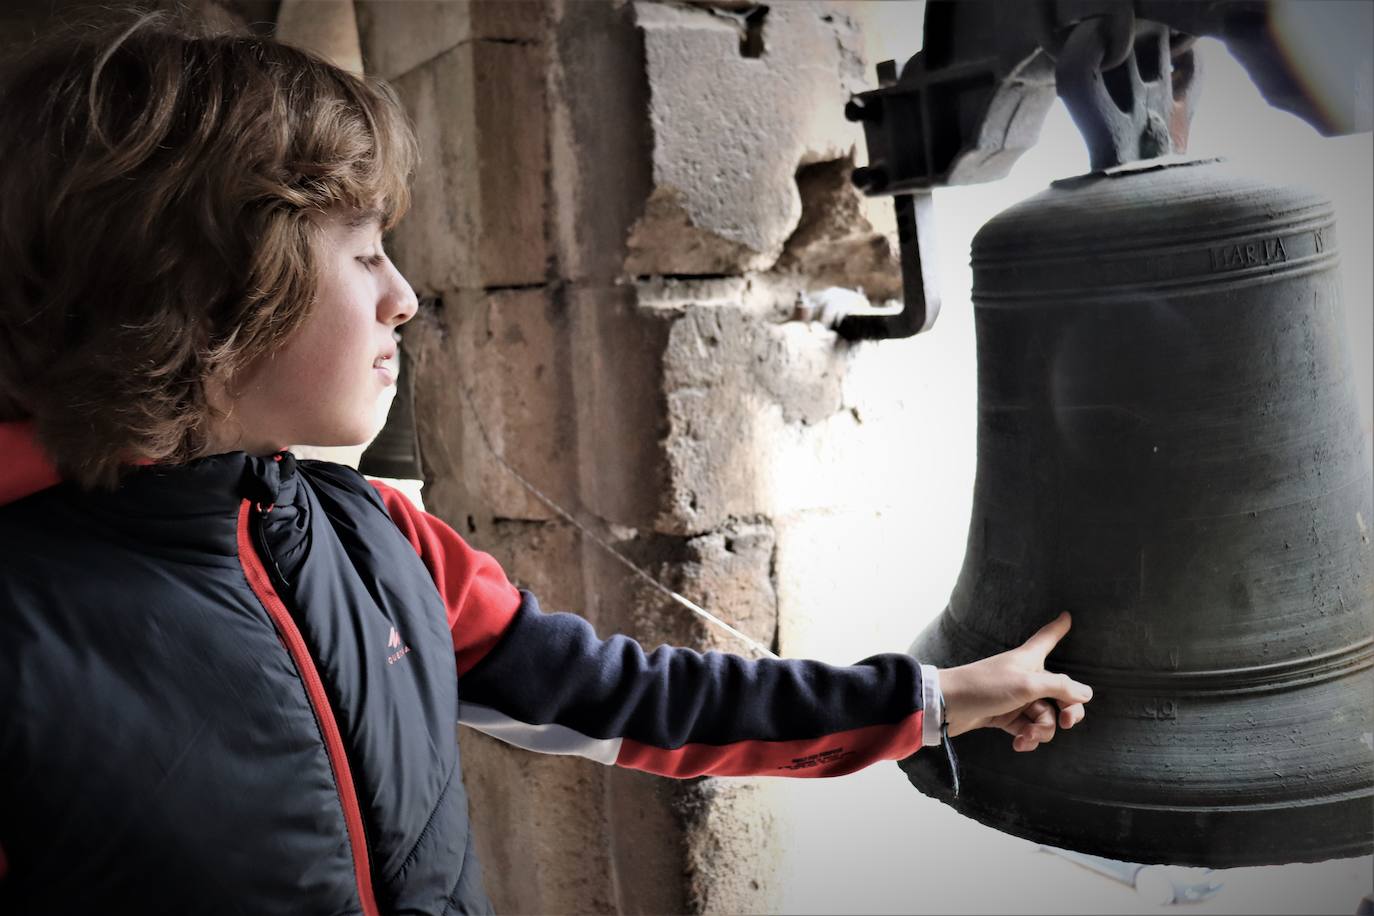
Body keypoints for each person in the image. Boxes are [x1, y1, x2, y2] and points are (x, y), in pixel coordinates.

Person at [0, 11, 1093, 915]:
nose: (405, 296)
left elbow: (630, 698)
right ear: (210, 288)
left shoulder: (382, 538)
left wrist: (933, 698)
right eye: (366, 251)